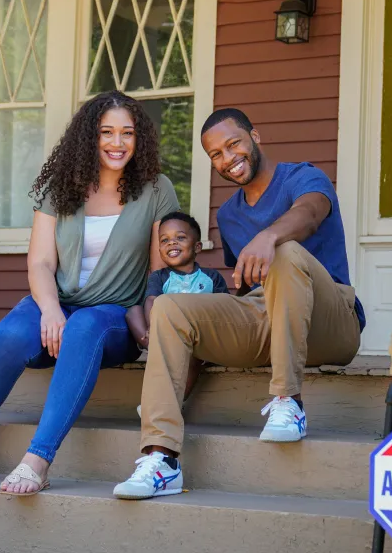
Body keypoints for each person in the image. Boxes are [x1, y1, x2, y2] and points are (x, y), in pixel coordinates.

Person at [0, 91, 179, 495]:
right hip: (57, 305)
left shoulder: (156, 189)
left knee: (84, 325)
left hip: (113, 319)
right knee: (11, 334)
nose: (118, 143)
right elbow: (41, 263)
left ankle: (38, 460)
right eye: (107, 132)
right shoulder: (61, 187)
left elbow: (157, 271)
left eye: (127, 133)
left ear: (140, 138)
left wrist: (152, 328)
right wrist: (49, 310)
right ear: (89, 136)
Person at [114, 108, 365, 500]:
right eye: (216, 154)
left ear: (255, 137)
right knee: (169, 306)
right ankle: (162, 458)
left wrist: (269, 237)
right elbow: (244, 287)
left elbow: (310, 214)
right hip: (266, 322)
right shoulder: (229, 214)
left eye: (234, 144)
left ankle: (288, 401)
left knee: (283, 251)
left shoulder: (303, 177)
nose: (227, 158)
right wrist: (206, 337)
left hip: (330, 322)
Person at [125, 211, 229, 415]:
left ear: (197, 246)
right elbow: (152, 301)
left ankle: (172, 402)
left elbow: (224, 308)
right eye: (164, 240)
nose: (171, 243)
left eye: (180, 238)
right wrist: (154, 329)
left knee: (192, 355)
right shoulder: (160, 277)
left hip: (198, 340)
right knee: (133, 311)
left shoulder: (211, 277)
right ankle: (155, 342)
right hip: (164, 333)